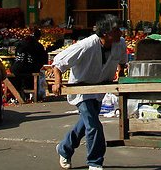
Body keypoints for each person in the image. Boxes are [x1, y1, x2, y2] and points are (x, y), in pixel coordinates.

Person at [52, 15, 127, 170]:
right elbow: (59, 62)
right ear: (105, 33)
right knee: (94, 125)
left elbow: (122, 62)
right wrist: (57, 82)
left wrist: (121, 75)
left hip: (100, 89)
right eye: (116, 30)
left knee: (85, 125)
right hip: (81, 90)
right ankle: (95, 162)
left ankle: (64, 148)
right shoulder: (86, 45)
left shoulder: (120, 44)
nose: (120, 33)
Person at [10, 28, 48, 99]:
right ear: (38, 37)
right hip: (29, 69)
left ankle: (19, 94)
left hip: (16, 68)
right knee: (33, 74)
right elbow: (43, 60)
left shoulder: (20, 43)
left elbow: (16, 55)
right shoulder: (38, 46)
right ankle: (33, 95)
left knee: (20, 78)